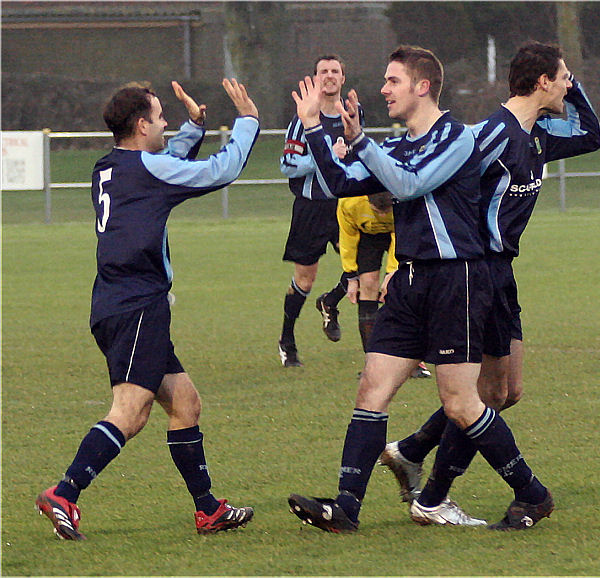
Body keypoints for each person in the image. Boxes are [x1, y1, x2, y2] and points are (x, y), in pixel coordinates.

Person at [287, 45, 551, 533]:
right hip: (408, 280)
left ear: (422, 86)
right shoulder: (397, 143)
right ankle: (346, 506)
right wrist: (314, 128)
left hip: (456, 280)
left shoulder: (456, 136)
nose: (383, 89)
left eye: (392, 81)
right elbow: (339, 183)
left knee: (461, 403)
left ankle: (533, 494)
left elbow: (409, 185)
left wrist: (361, 141)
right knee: (372, 388)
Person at [379, 41, 600, 524]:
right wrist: (410, 255)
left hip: (503, 273)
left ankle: (414, 452)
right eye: (563, 76)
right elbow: (432, 190)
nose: (568, 83)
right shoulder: (489, 136)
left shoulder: (538, 134)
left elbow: (591, 136)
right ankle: (434, 495)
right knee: (482, 396)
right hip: (476, 269)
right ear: (542, 82)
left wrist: (574, 87)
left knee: (503, 393)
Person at [35, 79, 259, 541]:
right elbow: (222, 170)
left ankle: (207, 509)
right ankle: (65, 492)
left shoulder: (108, 166)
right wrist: (248, 121)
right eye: (160, 117)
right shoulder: (148, 171)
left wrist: (194, 127)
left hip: (114, 302)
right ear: (141, 125)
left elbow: (161, 161)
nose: (165, 123)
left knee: (185, 403)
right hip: (138, 305)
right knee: (131, 411)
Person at [278, 54, 364, 366]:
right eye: (323, 71)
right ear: (315, 79)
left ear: (343, 78)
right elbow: (287, 164)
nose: (329, 76)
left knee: (363, 267)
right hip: (310, 209)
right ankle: (287, 341)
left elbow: (358, 151)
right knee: (305, 278)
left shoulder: (352, 113)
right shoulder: (303, 118)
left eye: (335, 71)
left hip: (345, 206)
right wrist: (326, 156)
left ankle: (331, 301)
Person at [337, 191, 431, 378]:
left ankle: (413, 360)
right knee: (368, 284)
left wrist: (392, 272)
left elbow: (401, 235)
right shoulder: (349, 202)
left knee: (401, 289)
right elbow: (347, 237)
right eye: (376, 211)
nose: (381, 215)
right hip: (368, 236)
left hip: (400, 235)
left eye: (385, 211)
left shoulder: (402, 200)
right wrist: (350, 274)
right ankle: (372, 363)